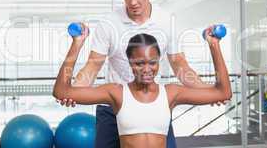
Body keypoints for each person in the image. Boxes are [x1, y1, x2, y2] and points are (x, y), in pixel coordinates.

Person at [58, 0, 225, 148]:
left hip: (152, 106)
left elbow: (180, 66)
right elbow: (93, 65)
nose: (133, 2)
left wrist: (208, 92)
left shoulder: (166, 21)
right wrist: (74, 91)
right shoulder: (109, 23)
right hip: (113, 107)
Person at [53, 31, 232, 148]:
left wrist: (214, 45)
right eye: (139, 63)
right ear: (130, 62)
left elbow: (223, 92)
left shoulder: (171, 93)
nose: (147, 69)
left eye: (152, 62)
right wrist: (77, 44)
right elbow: (62, 91)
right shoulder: (116, 93)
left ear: (159, 61)